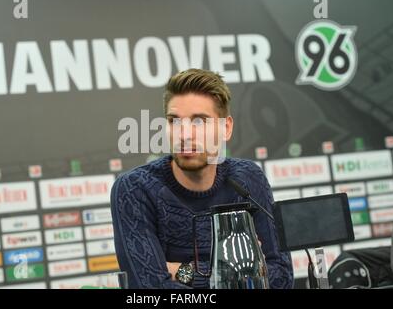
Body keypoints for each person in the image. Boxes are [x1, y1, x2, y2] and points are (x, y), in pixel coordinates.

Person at [110, 68, 294, 288]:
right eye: (174, 121)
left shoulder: (248, 179)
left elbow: (281, 277)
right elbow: (150, 289)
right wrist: (245, 274)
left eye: (199, 121)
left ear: (226, 128)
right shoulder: (135, 189)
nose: (185, 135)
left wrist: (181, 272)